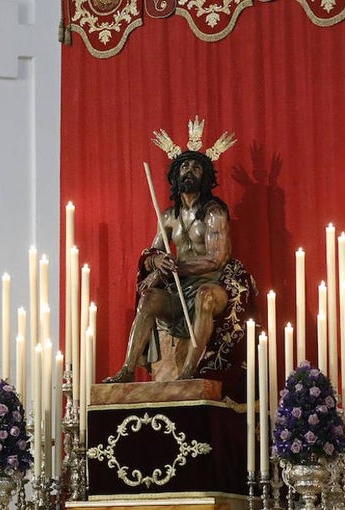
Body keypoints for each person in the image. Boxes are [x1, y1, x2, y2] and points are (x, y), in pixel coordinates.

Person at [107, 138, 252, 382]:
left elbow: (216, 259)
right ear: (175, 175)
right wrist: (156, 265)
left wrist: (176, 267)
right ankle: (127, 369)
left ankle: (187, 372)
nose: (189, 172)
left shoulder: (213, 213)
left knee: (205, 296)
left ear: (205, 177)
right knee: (149, 298)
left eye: (196, 168)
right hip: (179, 289)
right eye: (184, 167)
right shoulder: (168, 217)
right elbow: (153, 253)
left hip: (210, 285)